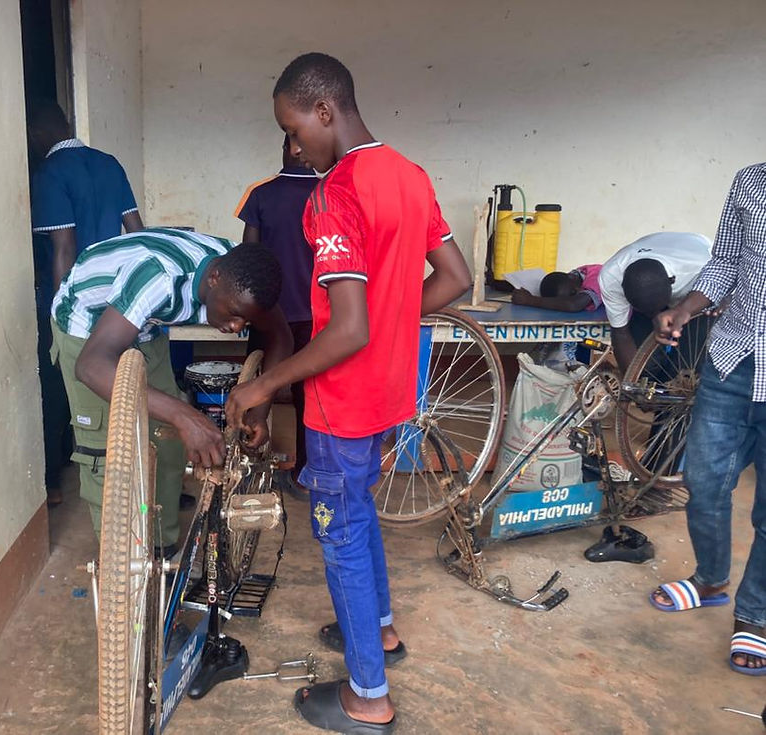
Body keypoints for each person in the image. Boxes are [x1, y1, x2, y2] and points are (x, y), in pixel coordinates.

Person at [226, 53, 471, 733]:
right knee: (358, 510)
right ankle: (382, 630)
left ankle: (368, 696)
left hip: (342, 400)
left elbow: (348, 327)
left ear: (324, 109)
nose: (295, 146)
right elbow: (455, 276)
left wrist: (267, 385)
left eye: (294, 128)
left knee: (338, 528)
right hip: (391, 388)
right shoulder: (410, 175)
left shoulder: (336, 193)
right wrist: (397, 323)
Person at [50, 228, 292, 556]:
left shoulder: (244, 275)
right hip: (88, 329)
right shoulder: (158, 277)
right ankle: (122, 565)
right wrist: (185, 414)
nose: (236, 327)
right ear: (214, 279)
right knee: (107, 449)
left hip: (144, 324)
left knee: (165, 439)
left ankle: (159, 551)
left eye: (245, 321)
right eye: (234, 314)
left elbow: (281, 336)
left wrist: (260, 412)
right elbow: (91, 366)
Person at [648, 163, 766, 676]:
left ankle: (755, 615)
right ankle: (711, 580)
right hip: (733, 357)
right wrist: (688, 307)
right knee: (703, 478)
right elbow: (723, 266)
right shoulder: (750, 182)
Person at [27, 100, 145, 505]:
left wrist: (61, 312)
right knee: (122, 382)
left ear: (38, 134)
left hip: (77, 299)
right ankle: (141, 476)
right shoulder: (109, 163)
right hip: (120, 298)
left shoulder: (50, 173)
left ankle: (57, 481)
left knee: (64, 385)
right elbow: (136, 231)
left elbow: (64, 247)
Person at [236, 135, 319, 497]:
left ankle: (249, 471)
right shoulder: (328, 193)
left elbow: (248, 257)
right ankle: (304, 476)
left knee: (257, 386)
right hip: (317, 313)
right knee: (309, 396)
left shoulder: (260, 193)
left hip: (270, 312)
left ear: (284, 148)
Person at [596, 232, 711, 374]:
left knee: (690, 366)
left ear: (672, 281)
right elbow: (620, 332)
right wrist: (631, 384)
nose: (657, 316)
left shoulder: (702, 266)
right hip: (648, 296)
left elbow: (729, 294)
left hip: (696, 294)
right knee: (645, 366)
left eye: (657, 310)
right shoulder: (611, 277)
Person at [511, 264, 603, 312]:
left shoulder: (597, 276)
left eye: (572, 292)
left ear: (572, 276)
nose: (577, 293)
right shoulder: (575, 278)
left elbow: (573, 305)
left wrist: (530, 300)